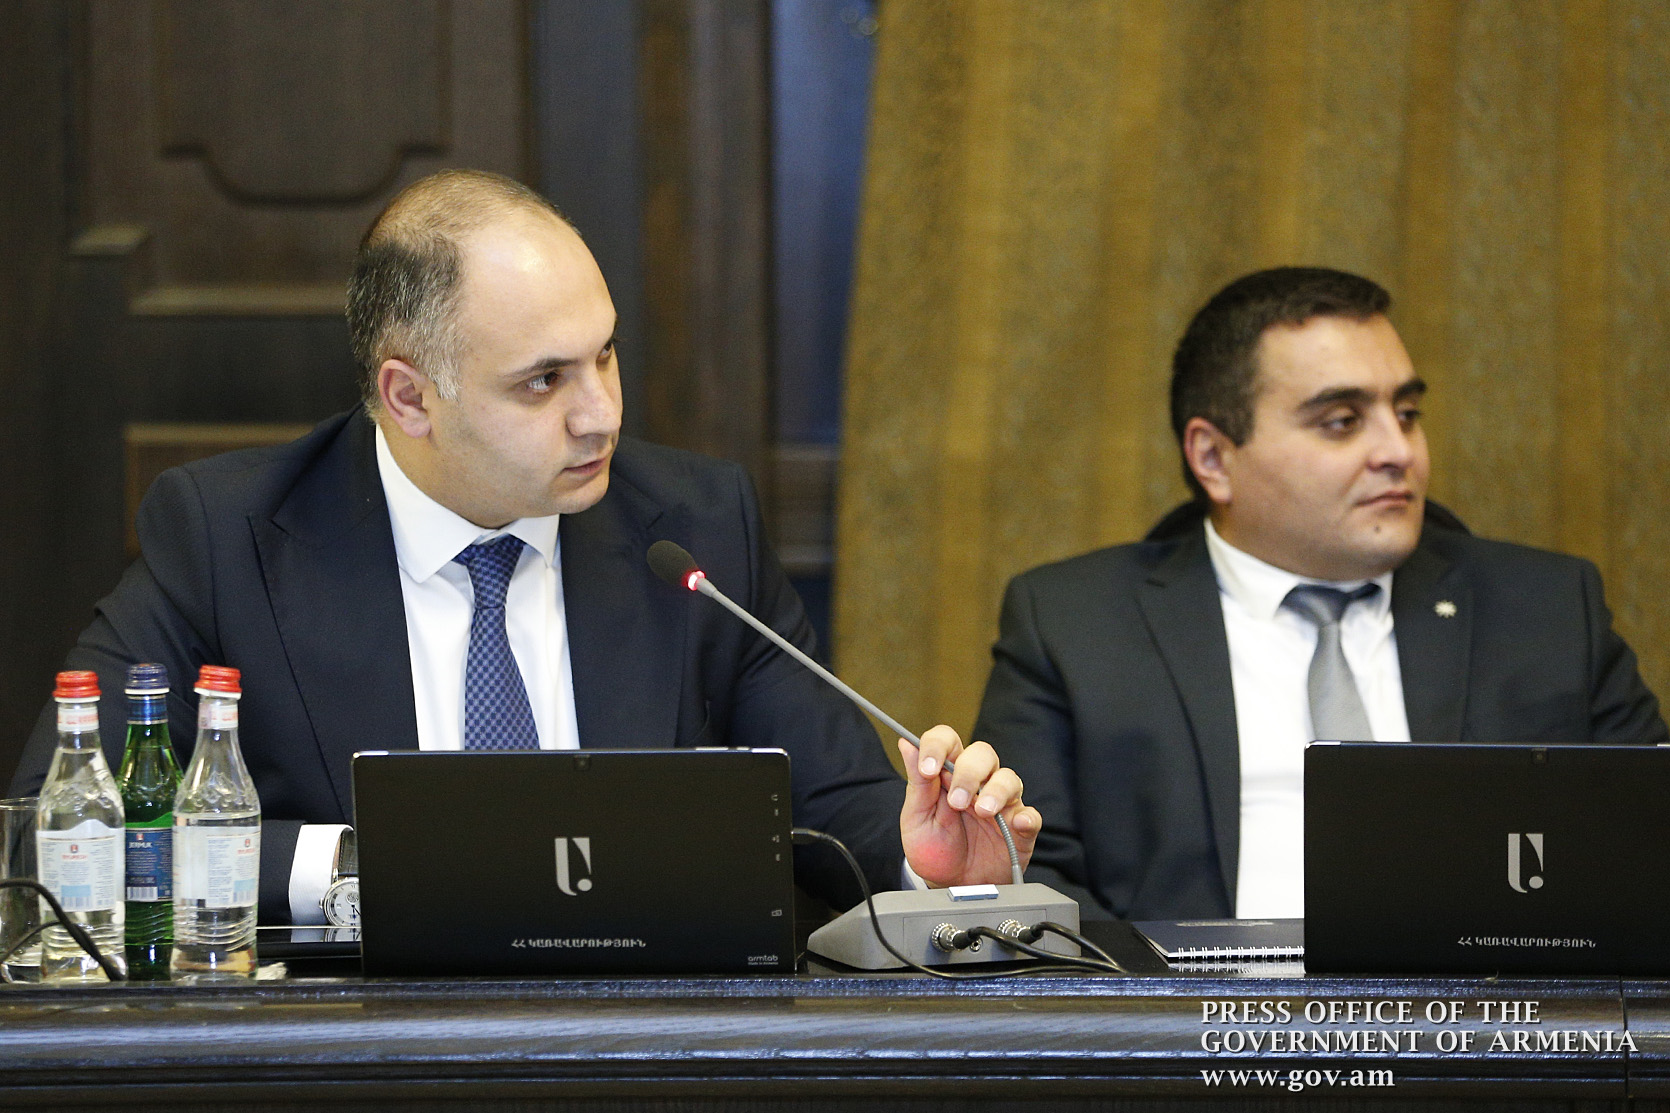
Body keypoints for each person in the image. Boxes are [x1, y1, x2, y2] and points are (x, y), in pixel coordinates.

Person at [10, 169, 1039, 923]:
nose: (601, 415)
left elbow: (834, 806)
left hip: (637, 1055)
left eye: (606, 355)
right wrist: (373, 867)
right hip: (355, 1058)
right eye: (543, 381)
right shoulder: (227, 535)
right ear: (409, 396)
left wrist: (928, 866)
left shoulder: (692, 528)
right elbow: (59, 838)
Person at [973, 266, 1666, 921]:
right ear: (1213, 457)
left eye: (1408, 412)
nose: (1399, 451)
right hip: (1192, 1005)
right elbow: (1026, 871)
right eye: (1342, 421)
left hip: (1488, 1003)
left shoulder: (1548, 611)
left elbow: (1649, 844)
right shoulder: (1075, 625)